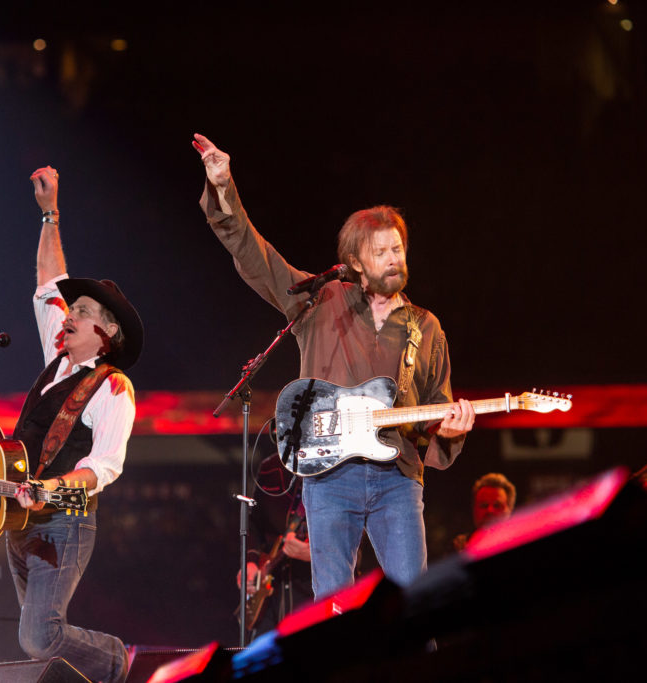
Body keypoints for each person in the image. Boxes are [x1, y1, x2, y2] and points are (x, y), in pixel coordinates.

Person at [193, 134, 475, 600]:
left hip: (398, 480)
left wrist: (449, 430)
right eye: (381, 251)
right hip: (328, 478)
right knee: (333, 611)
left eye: (397, 249)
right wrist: (224, 187)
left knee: (414, 605)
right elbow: (256, 257)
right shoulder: (322, 300)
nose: (393, 259)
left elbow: (435, 410)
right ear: (355, 263)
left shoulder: (425, 327)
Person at [5, 165, 144, 683]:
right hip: (21, 520)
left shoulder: (111, 388)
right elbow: (48, 284)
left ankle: (114, 660)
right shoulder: (57, 359)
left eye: (80, 311)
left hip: (64, 520)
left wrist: (51, 491)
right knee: (40, 649)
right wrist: (50, 213)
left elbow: (103, 468)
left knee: (38, 636)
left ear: (105, 333)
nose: (67, 314)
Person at [238, 454, 312, 635]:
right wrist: (251, 561)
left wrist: (317, 554)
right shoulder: (270, 466)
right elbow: (253, 522)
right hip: (272, 597)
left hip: (312, 594)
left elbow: (358, 530)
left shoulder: (338, 463)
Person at [452, 472, 517, 551]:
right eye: (484, 505)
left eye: (497, 505)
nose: (490, 510)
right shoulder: (458, 548)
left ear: (510, 510)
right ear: (474, 509)